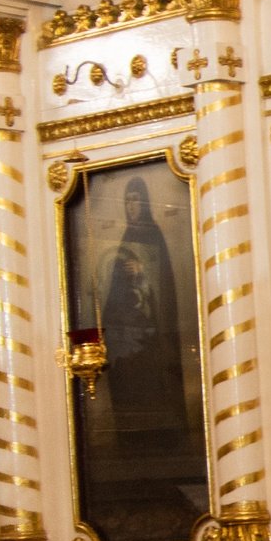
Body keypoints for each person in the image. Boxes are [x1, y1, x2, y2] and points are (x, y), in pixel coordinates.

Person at [98, 176, 188, 464]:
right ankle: (133, 441)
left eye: (135, 199)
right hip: (128, 335)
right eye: (127, 200)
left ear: (145, 202)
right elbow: (116, 289)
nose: (131, 206)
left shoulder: (153, 235)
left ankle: (162, 440)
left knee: (153, 387)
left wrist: (143, 271)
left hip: (149, 337)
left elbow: (162, 286)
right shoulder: (126, 235)